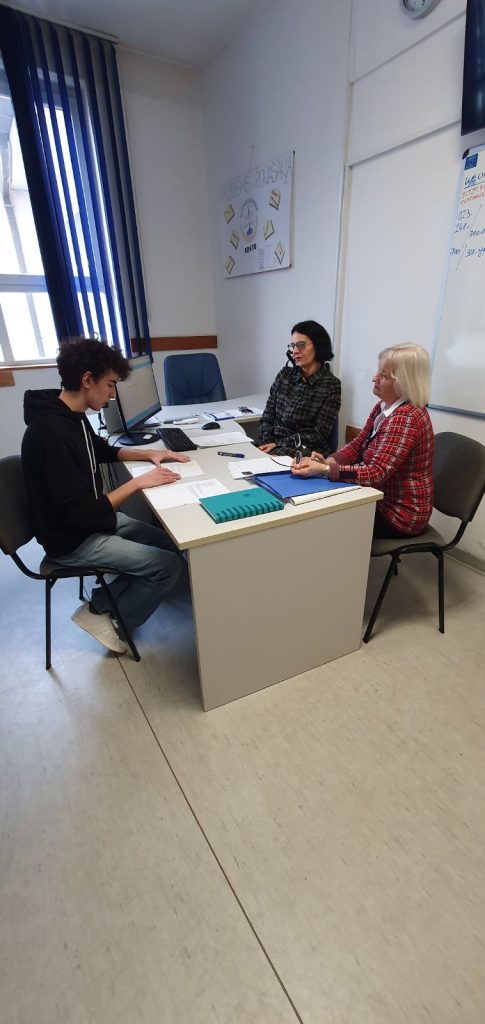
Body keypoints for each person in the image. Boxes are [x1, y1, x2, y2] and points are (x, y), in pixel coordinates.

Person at [21, 337, 191, 655]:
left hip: (91, 523)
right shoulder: (50, 433)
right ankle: (113, 622)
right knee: (167, 567)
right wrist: (138, 483)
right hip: (71, 540)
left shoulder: (70, 414)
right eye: (110, 385)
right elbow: (80, 514)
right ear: (88, 380)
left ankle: (100, 603)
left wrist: (150, 454)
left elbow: (101, 450)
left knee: (171, 543)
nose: (113, 394)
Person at [292, 343, 434, 538]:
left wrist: (324, 470)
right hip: (379, 498)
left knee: (327, 524)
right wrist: (331, 460)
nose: (374, 378)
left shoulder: (406, 418)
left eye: (383, 375)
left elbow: (376, 474)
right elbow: (358, 445)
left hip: (400, 514)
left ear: (404, 383)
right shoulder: (384, 406)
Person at [257, 320, 341, 457]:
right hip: (273, 446)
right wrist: (266, 442)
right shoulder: (284, 375)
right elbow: (267, 417)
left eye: (301, 345)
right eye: (293, 346)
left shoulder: (331, 385)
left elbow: (318, 436)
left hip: (306, 450)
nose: (295, 351)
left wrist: (278, 444)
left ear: (318, 346)